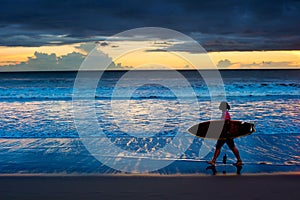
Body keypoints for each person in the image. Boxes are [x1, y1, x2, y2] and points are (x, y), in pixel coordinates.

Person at [207, 101, 242, 166]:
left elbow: (227, 123)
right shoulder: (225, 113)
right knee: (230, 147)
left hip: (225, 134)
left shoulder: (225, 113)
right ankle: (239, 160)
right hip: (226, 134)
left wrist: (225, 132)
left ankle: (213, 161)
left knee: (220, 147)